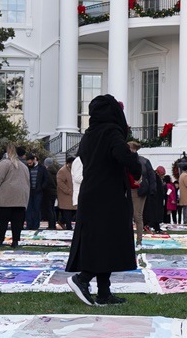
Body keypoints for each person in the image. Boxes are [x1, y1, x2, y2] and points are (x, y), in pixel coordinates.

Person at [65, 95, 141, 305]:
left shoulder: (90, 134)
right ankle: (83, 278)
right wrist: (136, 167)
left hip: (92, 193)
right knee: (106, 241)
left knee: (100, 240)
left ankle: (104, 292)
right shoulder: (111, 131)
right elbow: (122, 155)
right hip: (107, 195)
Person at [0, 144, 30, 247]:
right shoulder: (23, 166)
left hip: (4, 198)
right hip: (20, 200)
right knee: (17, 223)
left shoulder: (4, 164)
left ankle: (0, 241)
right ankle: (15, 241)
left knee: (2, 222)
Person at [55, 155, 76, 231]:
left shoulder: (73, 170)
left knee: (73, 211)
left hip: (72, 195)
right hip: (65, 195)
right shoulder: (62, 171)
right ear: (68, 163)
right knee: (67, 212)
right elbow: (60, 183)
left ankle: (62, 222)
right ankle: (68, 227)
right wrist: (68, 191)